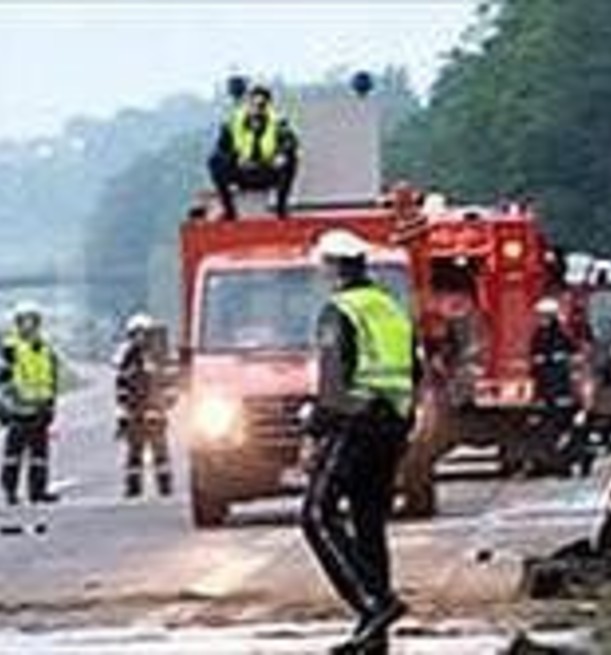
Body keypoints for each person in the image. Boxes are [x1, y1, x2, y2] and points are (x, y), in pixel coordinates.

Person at [300, 230, 415, 654]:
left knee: (315, 514)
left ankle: (374, 605)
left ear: (332, 267)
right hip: (393, 426)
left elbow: (333, 385)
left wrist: (313, 435)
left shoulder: (339, 310)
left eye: (321, 267)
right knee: (369, 524)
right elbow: (414, 372)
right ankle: (375, 638)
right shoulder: (391, 309)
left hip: (354, 422)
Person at [0, 301, 60, 505]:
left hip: (40, 409)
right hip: (18, 410)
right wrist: (7, 407)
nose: (28, 326)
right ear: (17, 323)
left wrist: (51, 405)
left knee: (39, 457)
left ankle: (38, 491)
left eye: (32, 321)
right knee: (13, 456)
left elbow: (52, 378)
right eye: (24, 321)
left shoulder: (45, 347)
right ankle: (10, 492)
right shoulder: (11, 347)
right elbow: (4, 379)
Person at [207, 84, 299, 220]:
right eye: (253, 104)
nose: (256, 109)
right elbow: (221, 147)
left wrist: (282, 155)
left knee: (292, 159)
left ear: (267, 105)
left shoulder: (278, 123)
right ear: (248, 104)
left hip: (267, 171)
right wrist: (234, 158)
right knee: (214, 160)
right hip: (242, 171)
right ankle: (229, 211)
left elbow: (290, 142)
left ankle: (281, 209)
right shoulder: (234, 123)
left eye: (261, 104)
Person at [114, 313, 172, 499]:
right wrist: (122, 414)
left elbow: (168, 385)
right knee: (134, 453)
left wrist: (161, 407)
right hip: (134, 413)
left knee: (160, 453)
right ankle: (133, 488)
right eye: (135, 334)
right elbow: (121, 388)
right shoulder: (127, 358)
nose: (139, 338)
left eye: (142, 333)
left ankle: (165, 487)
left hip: (155, 414)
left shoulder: (158, 356)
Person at [527, 297, 587, 476]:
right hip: (545, 392)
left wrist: (574, 389)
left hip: (562, 391)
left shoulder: (562, 336)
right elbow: (535, 366)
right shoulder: (537, 337)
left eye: (545, 316)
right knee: (545, 429)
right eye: (540, 316)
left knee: (564, 428)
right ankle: (547, 461)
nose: (542, 320)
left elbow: (576, 359)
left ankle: (568, 461)